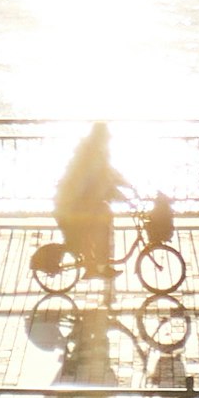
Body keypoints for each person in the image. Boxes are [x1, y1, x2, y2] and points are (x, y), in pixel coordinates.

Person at [53, 121, 129, 287]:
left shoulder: (94, 152)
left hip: (74, 204)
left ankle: (95, 265)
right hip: (72, 206)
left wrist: (126, 184)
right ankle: (99, 267)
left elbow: (109, 174)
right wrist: (121, 193)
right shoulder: (92, 155)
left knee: (101, 218)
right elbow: (100, 180)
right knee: (100, 225)